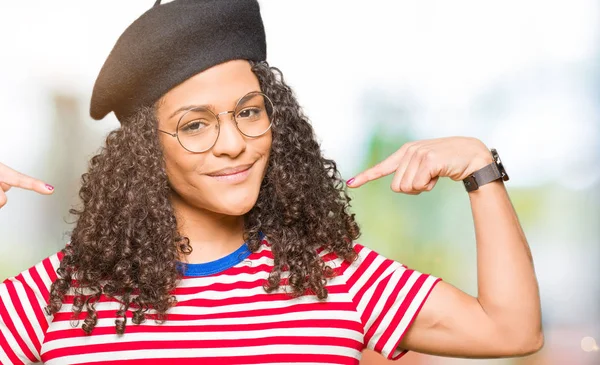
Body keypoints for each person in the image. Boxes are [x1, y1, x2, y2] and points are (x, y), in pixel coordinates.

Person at [0, 1, 543, 364]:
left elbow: (512, 330)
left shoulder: (335, 275)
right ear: (145, 152)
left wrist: (480, 166)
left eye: (249, 112)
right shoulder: (57, 296)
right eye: (195, 124)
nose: (233, 142)